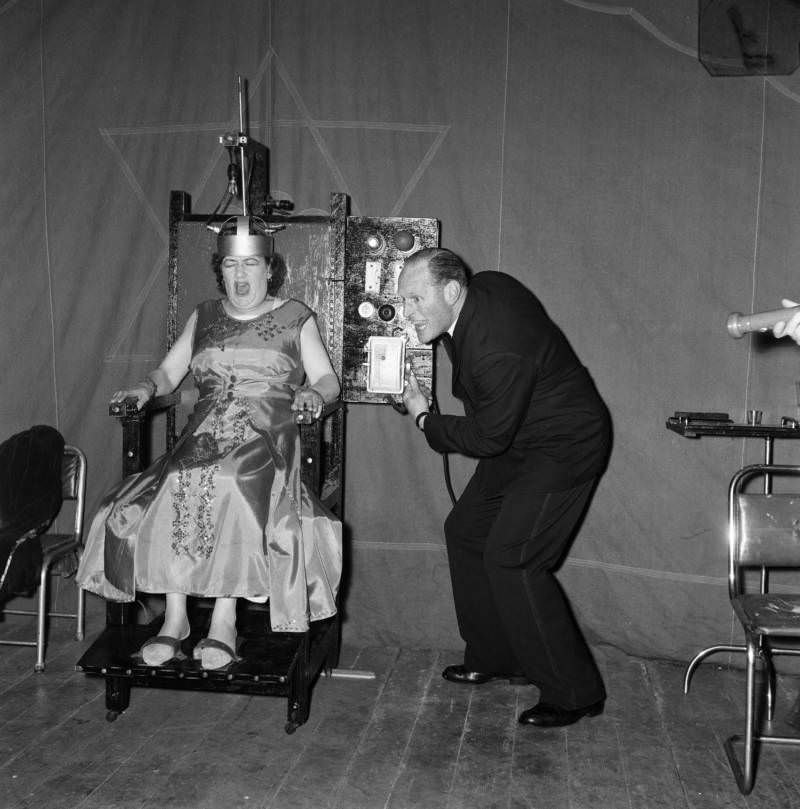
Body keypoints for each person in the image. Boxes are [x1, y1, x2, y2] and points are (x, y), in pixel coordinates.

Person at [77, 216, 342, 670]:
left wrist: (315, 393)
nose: (241, 276)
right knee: (177, 478)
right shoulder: (205, 315)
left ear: (270, 269)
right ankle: (175, 619)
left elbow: (327, 380)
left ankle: (224, 620)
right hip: (205, 433)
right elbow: (169, 372)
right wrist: (146, 386)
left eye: (251, 264)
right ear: (220, 270)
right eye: (231, 265)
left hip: (266, 432)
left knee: (231, 479)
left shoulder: (295, 316)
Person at [398, 247, 611, 728]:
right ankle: (496, 656)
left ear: (451, 291)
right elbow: (494, 416)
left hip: (563, 445)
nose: (406, 313)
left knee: (514, 558)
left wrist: (424, 417)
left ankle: (575, 692)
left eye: (414, 300)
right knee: (467, 531)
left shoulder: (498, 346)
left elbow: (487, 436)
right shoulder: (484, 286)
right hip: (520, 437)